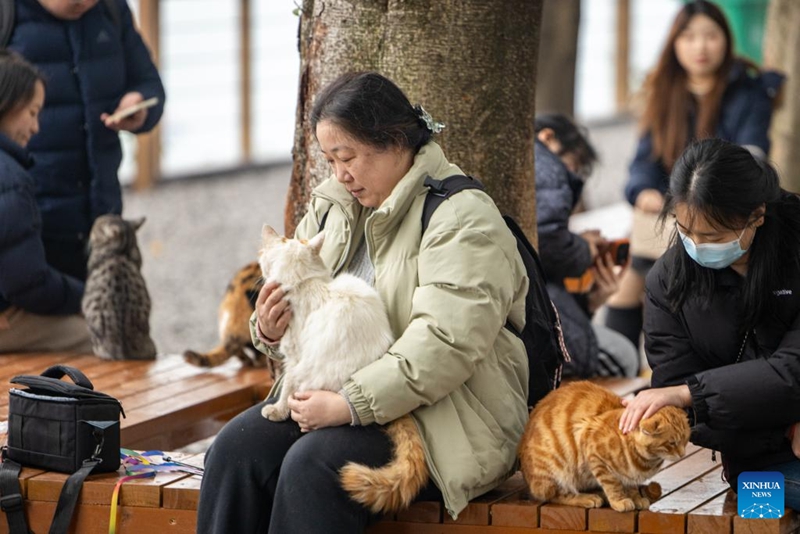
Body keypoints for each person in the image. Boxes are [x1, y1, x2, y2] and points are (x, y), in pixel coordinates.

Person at [196, 72, 530, 533]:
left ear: (395, 141)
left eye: (347, 157)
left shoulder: (462, 217)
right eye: (330, 160)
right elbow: (311, 321)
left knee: (314, 467)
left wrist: (349, 404)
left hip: (442, 419)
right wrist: (270, 331)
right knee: (236, 449)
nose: (340, 174)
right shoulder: (334, 206)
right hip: (337, 398)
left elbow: (446, 344)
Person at [619, 138, 800, 510]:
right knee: (759, 506)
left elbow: (793, 368)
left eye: (714, 237)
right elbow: (680, 409)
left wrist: (690, 393)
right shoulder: (667, 283)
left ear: (757, 214)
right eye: (686, 231)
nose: (697, 245)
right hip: (754, 463)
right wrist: (782, 426)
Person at [604, 0, 784, 348]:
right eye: (688, 37)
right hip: (671, 206)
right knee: (631, 273)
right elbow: (644, 161)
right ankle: (614, 360)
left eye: (710, 36)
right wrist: (642, 191)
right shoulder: (662, 91)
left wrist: (702, 192)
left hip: (725, 204)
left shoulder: (749, 91)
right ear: (674, 44)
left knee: (659, 261)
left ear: (725, 40)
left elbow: (753, 158)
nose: (700, 46)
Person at [7, 0, 165, 282]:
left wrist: (140, 105)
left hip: (104, 220)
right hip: (27, 227)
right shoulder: (8, 14)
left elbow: (149, 82)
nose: (84, 3)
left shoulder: (111, 9)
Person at [0, 50, 92, 354]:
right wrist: (85, 297)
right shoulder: (9, 177)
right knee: (95, 336)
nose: (37, 127)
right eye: (33, 112)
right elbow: (27, 283)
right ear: (8, 104)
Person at [534, 113, 639, 378]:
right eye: (572, 167)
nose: (569, 178)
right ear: (547, 137)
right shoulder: (545, 166)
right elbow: (547, 240)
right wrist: (583, 248)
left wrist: (591, 302)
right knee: (622, 357)